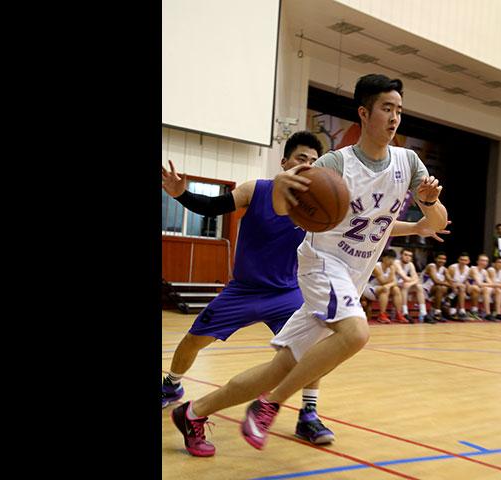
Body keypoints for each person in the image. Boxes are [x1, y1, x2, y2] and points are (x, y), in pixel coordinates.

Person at [170, 73, 447, 455]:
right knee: (356, 334)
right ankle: (271, 404)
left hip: (346, 278)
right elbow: (285, 207)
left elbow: (436, 225)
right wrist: (283, 188)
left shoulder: (408, 162)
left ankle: (193, 411)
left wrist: (429, 204)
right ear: (364, 113)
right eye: (387, 108)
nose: (395, 117)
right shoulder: (335, 163)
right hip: (322, 264)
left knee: (280, 365)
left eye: (399, 109)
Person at [160, 131, 337, 453]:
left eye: (313, 161)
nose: (307, 165)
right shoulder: (257, 190)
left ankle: (308, 414)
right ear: (284, 162)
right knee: (192, 341)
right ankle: (171, 385)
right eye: (301, 158)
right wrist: (181, 194)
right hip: (243, 290)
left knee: (312, 350)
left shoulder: (315, 208)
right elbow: (214, 207)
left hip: (286, 294)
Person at [362, 249, 403, 324]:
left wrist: (388, 285)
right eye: (389, 258)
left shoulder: (390, 267)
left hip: (380, 289)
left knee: (396, 289)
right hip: (369, 288)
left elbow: (395, 282)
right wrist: (392, 273)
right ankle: (382, 314)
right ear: (384, 258)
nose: (391, 261)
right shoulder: (376, 266)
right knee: (385, 289)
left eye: (393, 259)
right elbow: (383, 281)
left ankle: (398, 313)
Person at [395, 248, 430, 323]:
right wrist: (411, 281)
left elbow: (416, 278)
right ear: (401, 255)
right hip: (393, 285)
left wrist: (410, 283)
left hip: (403, 284)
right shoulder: (396, 263)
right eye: (405, 255)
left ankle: (423, 313)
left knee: (419, 287)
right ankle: (404, 312)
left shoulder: (410, 264)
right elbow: (404, 277)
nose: (408, 257)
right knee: (405, 285)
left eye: (410, 256)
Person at [422, 252, 453, 322]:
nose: (442, 260)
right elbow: (436, 281)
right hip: (425, 291)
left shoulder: (444, 269)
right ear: (435, 259)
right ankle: (437, 312)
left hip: (435, 291)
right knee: (440, 287)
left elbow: (451, 281)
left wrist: (451, 284)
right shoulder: (431, 266)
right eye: (440, 258)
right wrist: (449, 284)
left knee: (444, 288)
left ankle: (446, 307)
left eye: (444, 259)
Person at [447, 252, 475, 321]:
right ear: (458, 260)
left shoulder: (468, 269)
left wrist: (469, 286)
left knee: (464, 288)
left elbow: (465, 281)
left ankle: (454, 311)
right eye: (461, 260)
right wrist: (456, 286)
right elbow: (447, 281)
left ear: (468, 261)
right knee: (461, 288)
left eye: (465, 260)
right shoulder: (452, 268)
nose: (463, 262)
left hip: (459, 290)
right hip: (449, 288)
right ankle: (461, 311)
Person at [470, 254, 497, 321]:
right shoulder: (473, 269)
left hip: (478, 288)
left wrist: (497, 286)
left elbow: (491, 283)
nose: (484, 263)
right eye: (482, 260)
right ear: (477, 261)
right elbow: (479, 283)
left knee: (497, 290)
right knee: (479, 288)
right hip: (468, 288)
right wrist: (499, 285)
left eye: (486, 261)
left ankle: (496, 313)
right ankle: (481, 312)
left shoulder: (484, 271)